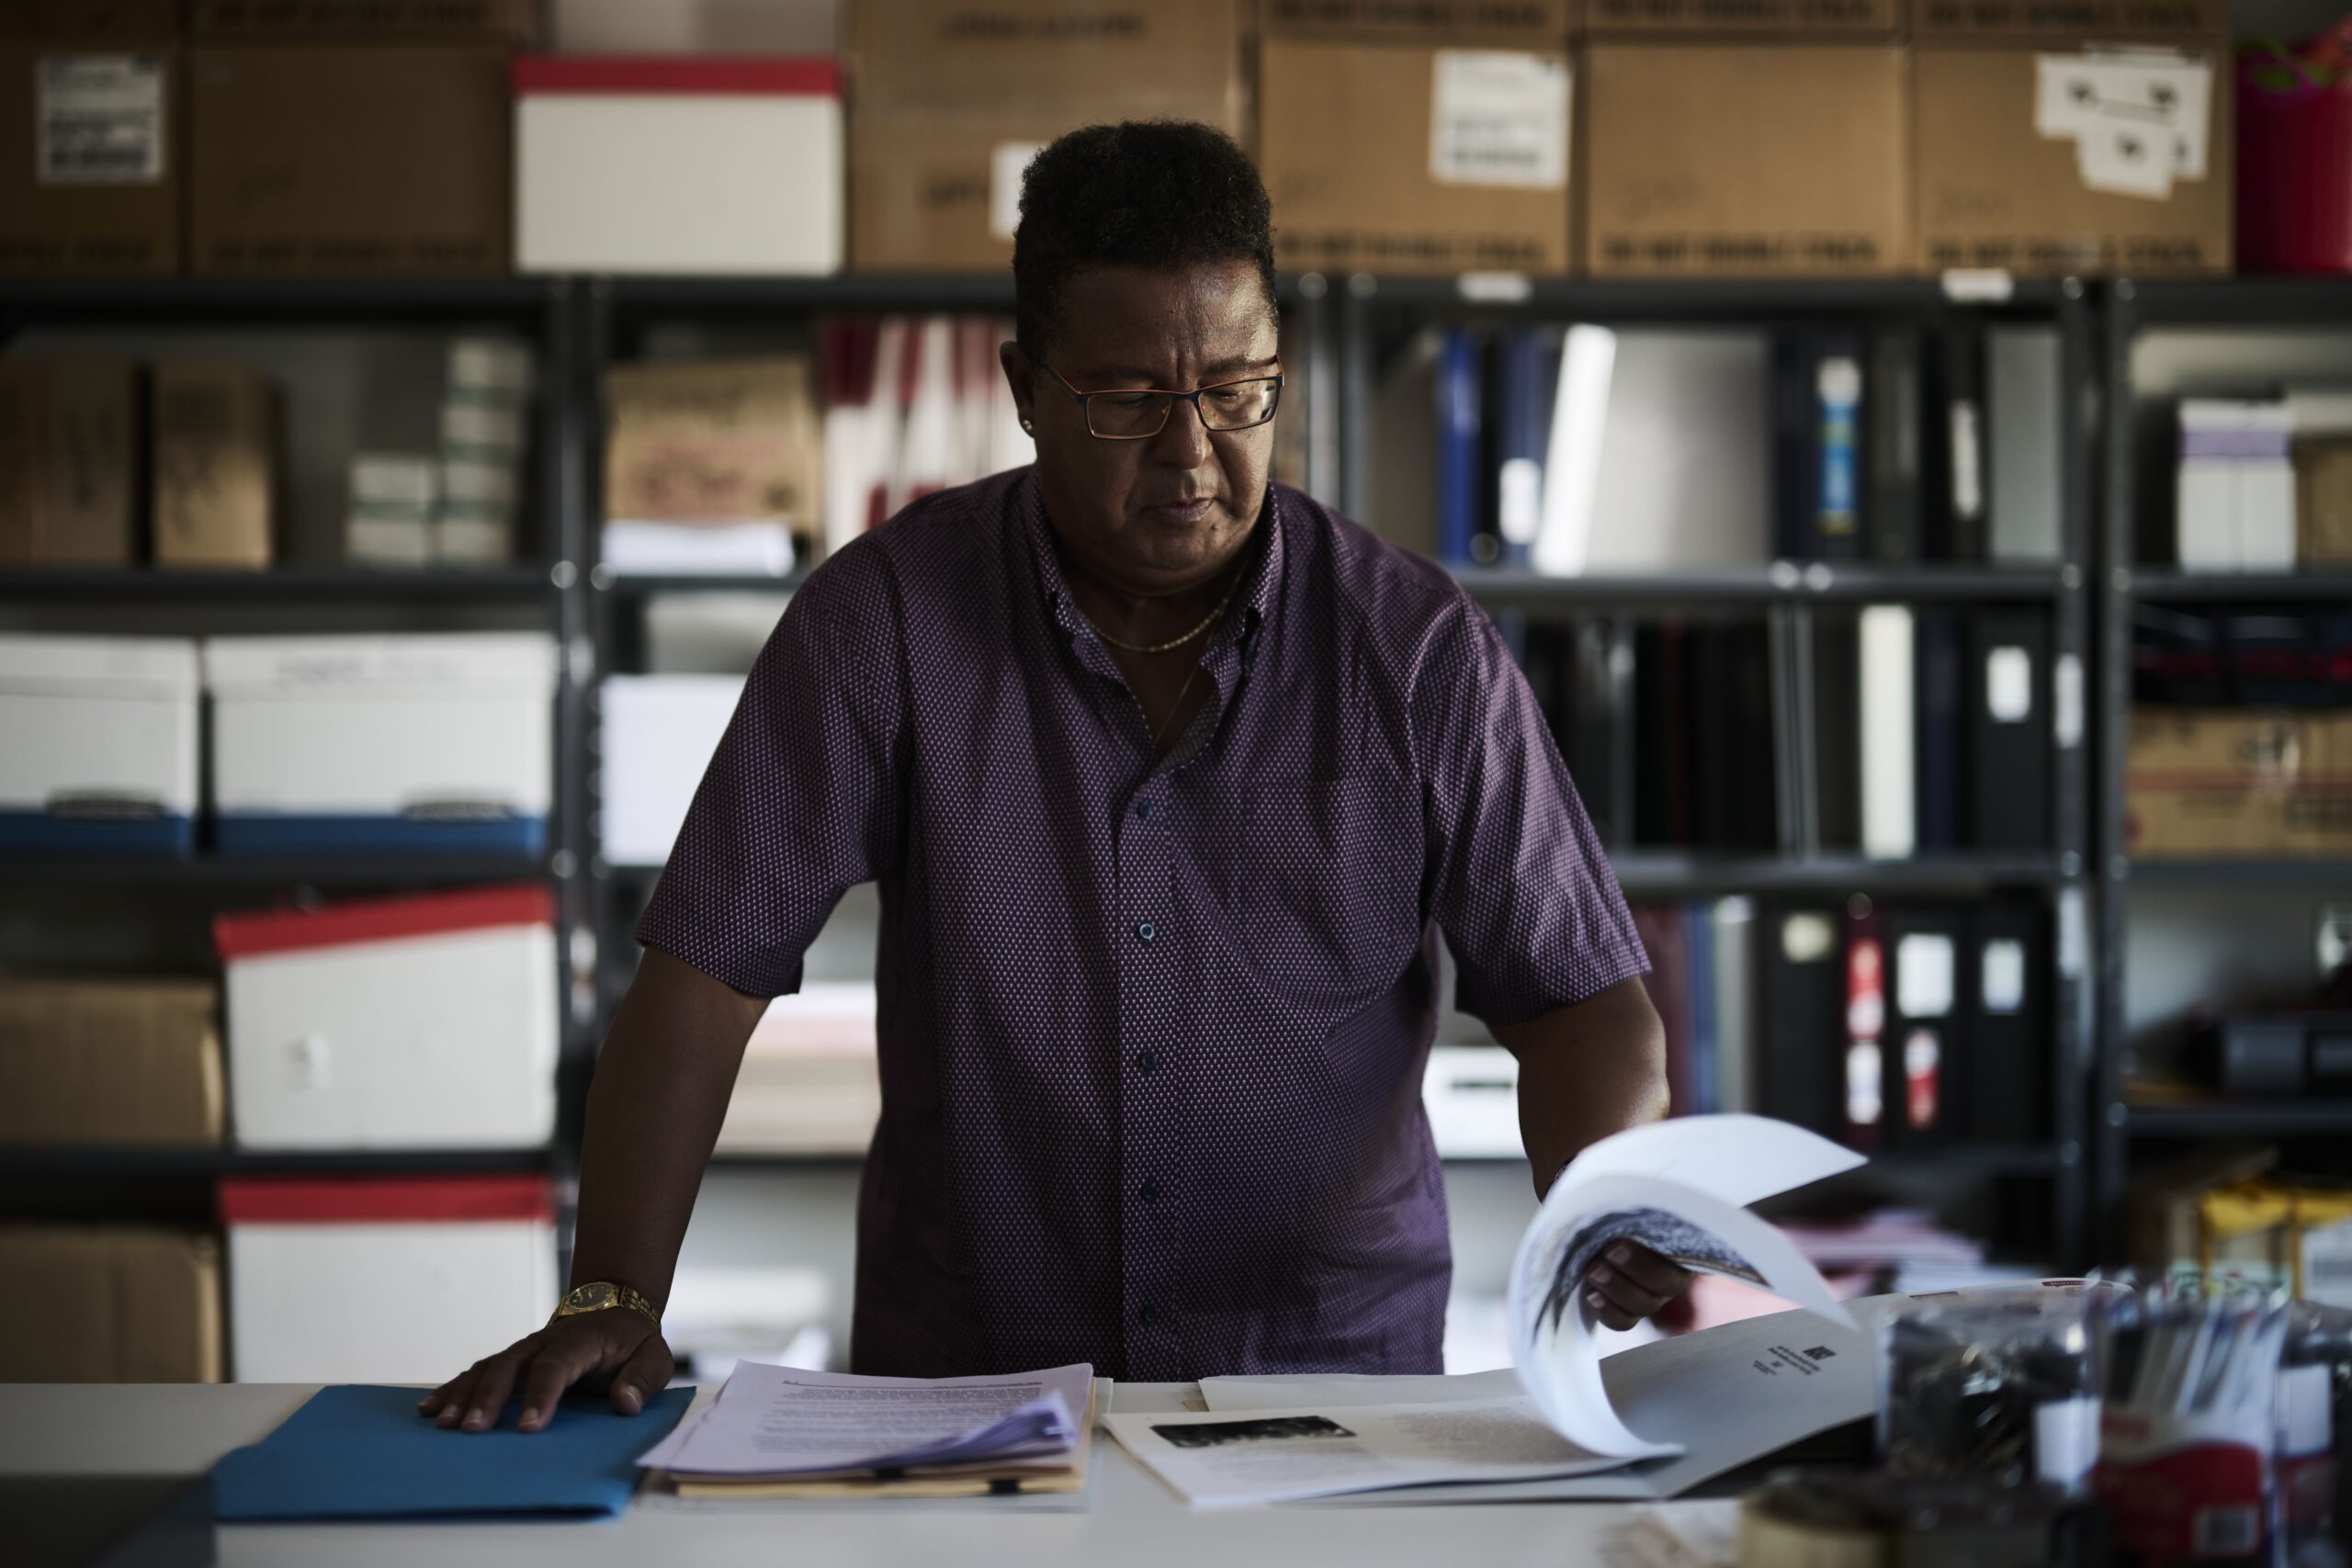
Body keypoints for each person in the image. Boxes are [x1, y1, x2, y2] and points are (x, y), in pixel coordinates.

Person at [422, 120, 1689, 1437]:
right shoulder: (886, 622)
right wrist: (614, 1291)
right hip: (967, 1392)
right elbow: (703, 975)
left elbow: (1582, 999)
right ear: (1025, 387)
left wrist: (1604, 1199)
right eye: (1129, 401)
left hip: (1323, 1396)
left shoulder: (1414, 648)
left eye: (1238, 389)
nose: (1192, 454)